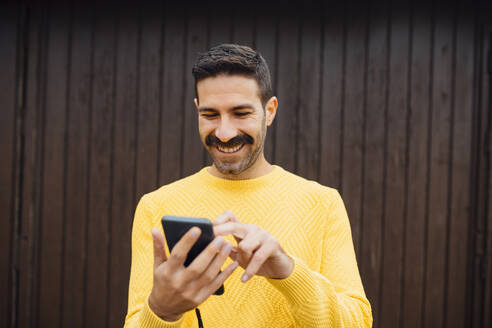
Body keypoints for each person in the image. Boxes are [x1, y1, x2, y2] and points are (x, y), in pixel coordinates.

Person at [124, 44, 372, 328]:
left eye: (241, 113)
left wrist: (289, 273)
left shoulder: (323, 204)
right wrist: (162, 310)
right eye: (210, 115)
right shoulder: (156, 206)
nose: (224, 132)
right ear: (196, 110)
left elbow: (359, 323)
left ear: (270, 111)